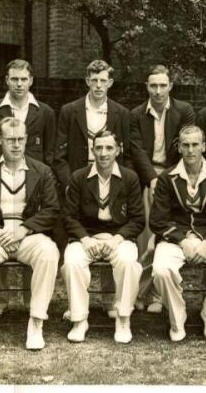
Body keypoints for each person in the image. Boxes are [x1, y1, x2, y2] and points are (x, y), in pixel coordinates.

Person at [0, 117, 60, 351]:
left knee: (48, 251)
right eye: (10, 139)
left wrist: (25, 229)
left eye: (20, 139)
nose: (15, 144)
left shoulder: (42, 170)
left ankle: (36, 322)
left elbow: (52, 209)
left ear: (26, 139)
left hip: (27, 234)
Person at [0, 59, 56, 318]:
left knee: (39, 244)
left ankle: (34, 302)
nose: (19, 84)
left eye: (23, 79)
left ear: (31, 80)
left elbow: (50, 152)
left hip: (33, 185)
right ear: (6, 80)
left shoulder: (44, 112)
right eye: (14, 79)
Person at [54, 60, 132, 318]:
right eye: (94, 80)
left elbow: (126, 151)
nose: (99, 85)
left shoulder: (121, 112)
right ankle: (76, 304)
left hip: (111, 175)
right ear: (87, 81)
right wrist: (70, 184)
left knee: (112, 229)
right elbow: (59, 154)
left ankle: (111, 300)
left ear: (110, 82)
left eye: (104, 81)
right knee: (78, 237)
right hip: (80, 180)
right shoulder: (70, 110)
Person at [150, 125, 206, 342]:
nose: (190, 150)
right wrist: (183, 240)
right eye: (186, 145)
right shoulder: (167, 177)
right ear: (179, 147)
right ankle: (177, 318)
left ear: (204, 146)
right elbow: (158, 220)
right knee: (161, 270)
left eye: (195, 145)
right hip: (175, 239)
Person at [61, 130, 144, 343]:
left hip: (118, 237)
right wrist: (85, 239)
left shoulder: (129, 177)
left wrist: (118, 239)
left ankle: (123, 318)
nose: (103, 153)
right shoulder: (79, 177)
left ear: (118, 150)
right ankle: (79, 320)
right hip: (86, 237)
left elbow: (137, 219)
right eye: (98, 148)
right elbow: (69, 217)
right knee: (71, 262)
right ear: (92, 150)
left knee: (128, 262)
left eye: (109, 148)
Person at [130, 64, 195, 313]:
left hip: (175, 177)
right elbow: (136, 149)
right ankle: (140, 292)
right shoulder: (136, 114)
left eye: (162, 85)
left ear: (170, 86)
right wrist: (152, 179)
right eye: (153, 86)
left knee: (167, 235)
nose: (158, 91)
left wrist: (166, 180)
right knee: (146, 236)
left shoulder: (184, 111)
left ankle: (157, 296)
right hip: (147, 177)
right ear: (147, 87)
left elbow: (185, 145)